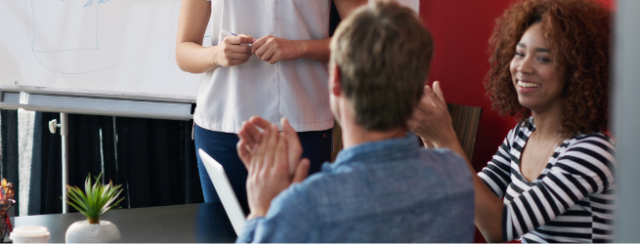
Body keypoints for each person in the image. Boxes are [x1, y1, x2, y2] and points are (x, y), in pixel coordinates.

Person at [234, 1, 475, 242]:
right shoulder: (457, 176)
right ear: (417, 86)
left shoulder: (304, 208)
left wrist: (261, 211)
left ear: (335, 78)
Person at [407, 0, 614, 242]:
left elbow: (499, 228)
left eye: (543, 58)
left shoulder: (593, 152)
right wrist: (429, 135)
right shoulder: (522, 134)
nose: (523, 67)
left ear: (578, 71)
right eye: (519, 53)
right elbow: (461, 201)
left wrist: (444, 136)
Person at [175, 0, 366, 213]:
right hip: (222, 126)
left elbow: (365, 37)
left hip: (301, 123)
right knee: (224, 235)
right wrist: (216, 54)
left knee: (297, 233)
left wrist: (298, 47)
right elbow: (183, 51)